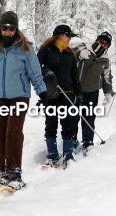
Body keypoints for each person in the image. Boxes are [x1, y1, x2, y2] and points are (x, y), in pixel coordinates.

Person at [0, 11, 47, 190]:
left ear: (16, 29)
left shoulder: (25, 48)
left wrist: (42, 93)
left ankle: (15, 171)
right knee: (0, 133)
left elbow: (35, 73)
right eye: (5, 28)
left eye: (12, 28)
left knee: (14, 131)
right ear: (0, 28)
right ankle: (4, 171)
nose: (8, 31)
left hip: (19, 96)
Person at [37, 24, 82, 168]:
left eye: (70, 36)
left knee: (68, 124)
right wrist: (46, 73)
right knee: (51, 123)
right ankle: (52, 154)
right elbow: (36, 69)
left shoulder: (70, 53)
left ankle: (68, 154)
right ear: (59, 35)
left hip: (68, 94)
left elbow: (74, 75)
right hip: (51, 94)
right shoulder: (46, 50)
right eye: (68, 35)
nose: (69, 39)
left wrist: (79, 93)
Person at [73, 31, 115, 154]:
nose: (102, 44)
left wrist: (108, 91)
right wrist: (79, 54)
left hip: (92, 92)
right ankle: (71, 140)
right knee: (73, 117)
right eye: (101, 41)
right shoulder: (83, 48)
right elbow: (68, 59)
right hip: (76, 90)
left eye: (106, 44)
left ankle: (88, 142)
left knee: (89, 117)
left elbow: (107, 76)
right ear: (97, 39)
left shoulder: (105, 59)